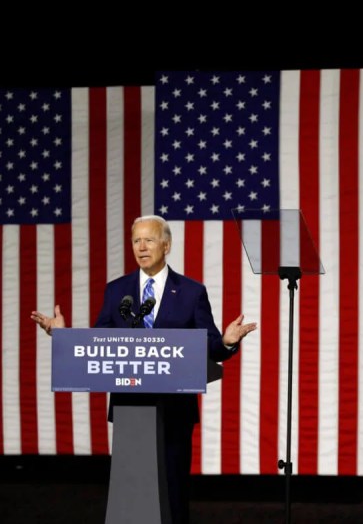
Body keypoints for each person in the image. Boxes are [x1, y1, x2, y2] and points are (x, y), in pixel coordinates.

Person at [31, 214, 257, 523]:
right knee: (133, 495)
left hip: (174, 410)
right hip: (130, 408)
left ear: (166, 245)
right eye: (136, 240)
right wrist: (64, 337)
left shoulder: (191, 292)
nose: (141, 247)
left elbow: (209, 345)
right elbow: (101, 343)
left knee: (172, 491)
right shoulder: (116, 291)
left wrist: (227, 341)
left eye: (149, 239)